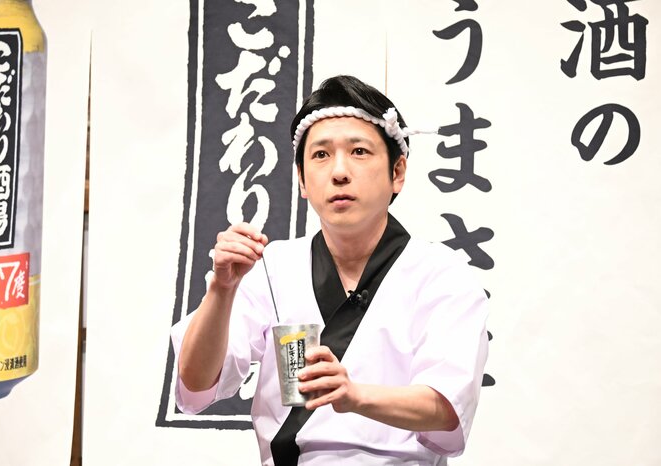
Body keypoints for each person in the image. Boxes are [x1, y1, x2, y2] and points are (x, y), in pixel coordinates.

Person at [172, 75, 489, 466]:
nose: (339, 171)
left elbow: (446, 408)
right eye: (321, 155)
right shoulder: (271, 268)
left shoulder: (441, 274)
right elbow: (196, 381)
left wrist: (354, 396)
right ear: (302, 179)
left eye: (359, 151)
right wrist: (221, 290)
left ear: (397, 172)